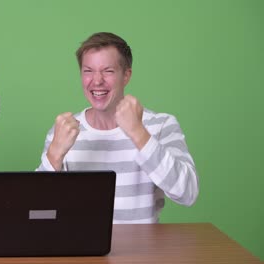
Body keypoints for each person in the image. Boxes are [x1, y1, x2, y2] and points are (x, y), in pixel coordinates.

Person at [37, 32, 198, 224]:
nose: (97, 81)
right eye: (88, 71)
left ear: (126, 75)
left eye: (108, 71)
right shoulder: (64, 132)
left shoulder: (161, 125)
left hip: (144, 251)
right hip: (82, 250)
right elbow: (38, 207)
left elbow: (187, 193)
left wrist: (139, 134)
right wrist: (54, 155)